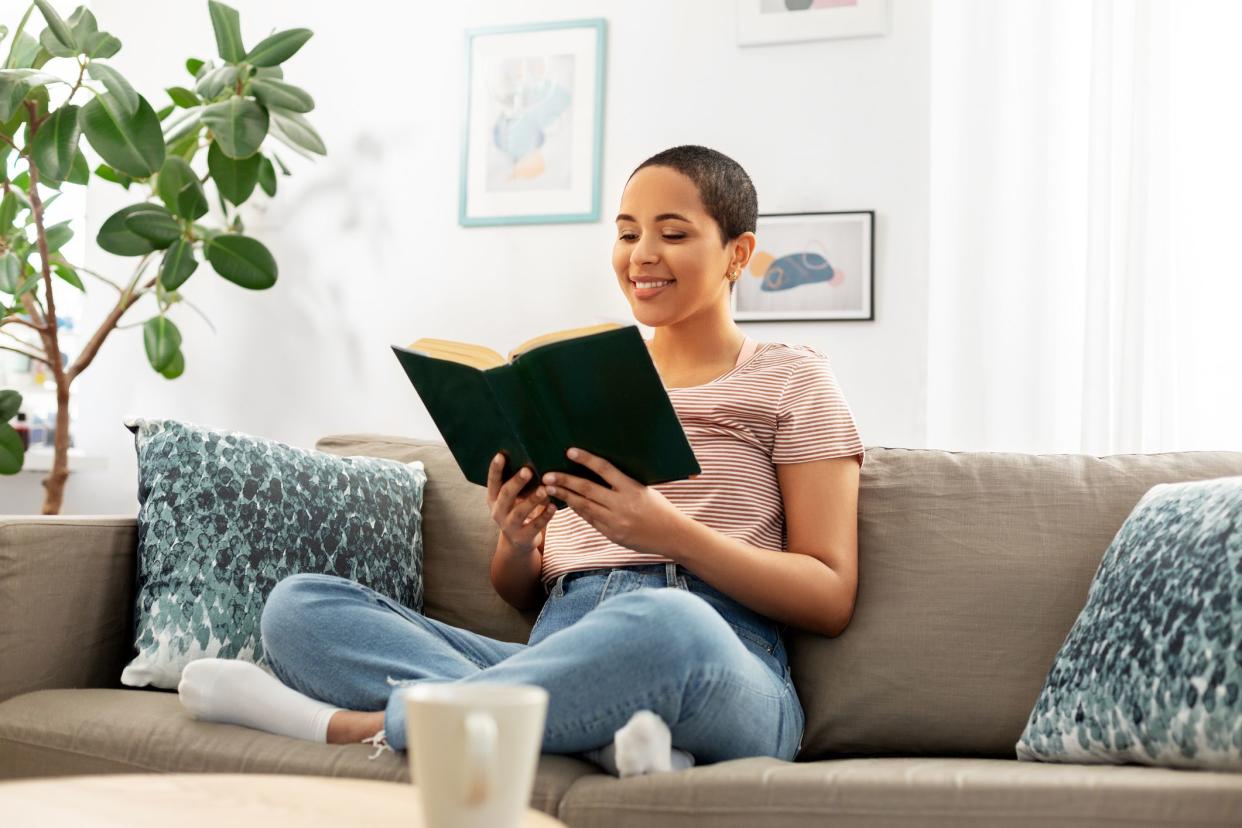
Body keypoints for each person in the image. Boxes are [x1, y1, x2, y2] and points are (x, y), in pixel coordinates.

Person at [177, 144, 865, 777]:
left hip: (718, 659)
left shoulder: (791, 379)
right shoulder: (586, 383)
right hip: (555, 650)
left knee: (671, 625)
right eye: (627, 233)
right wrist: (516, 538)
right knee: (301, 607)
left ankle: (357, 725)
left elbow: (829, 596)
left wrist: (668, 534)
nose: (641, 255)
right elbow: (522, 593)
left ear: (738, 254)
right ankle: (589, 730)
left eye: (673, 233)